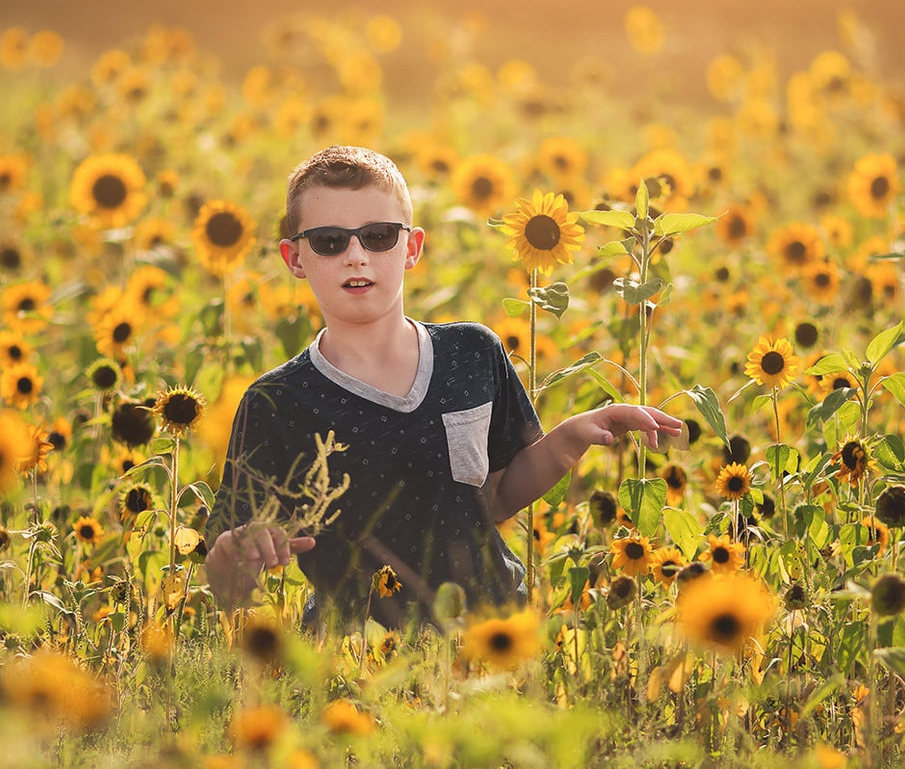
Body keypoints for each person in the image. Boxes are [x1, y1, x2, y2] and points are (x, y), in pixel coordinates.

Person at [204, 146, 680, 626]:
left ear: (411, 248)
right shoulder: (279, 402)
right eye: (329, 240)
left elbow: (495, 496)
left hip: (491, 637)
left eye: (378, 236)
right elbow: (227, 578)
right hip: (357, 657)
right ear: (295, 257)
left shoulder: (470, 354)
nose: (356, 256)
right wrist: (233, 556)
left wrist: (575, 435)